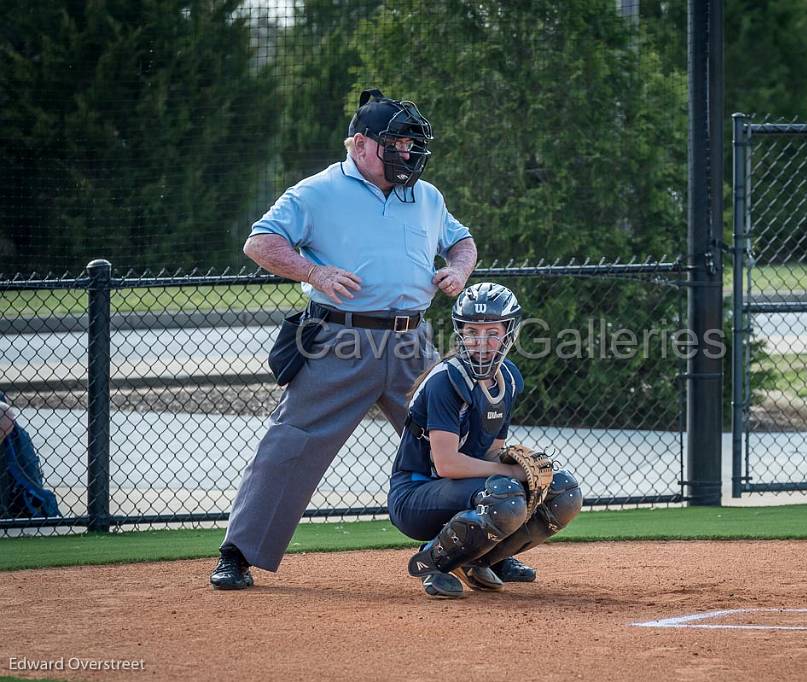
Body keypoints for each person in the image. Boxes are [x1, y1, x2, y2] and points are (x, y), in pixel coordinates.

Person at [210, 88, 479, 589]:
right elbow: (260, 242)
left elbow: (461, 241)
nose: (407, 153)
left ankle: (488, 546)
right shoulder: (317, 191)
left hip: (412, 344)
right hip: (341, 338)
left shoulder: (426, 195)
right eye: (395, 143)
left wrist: (458, 270)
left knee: (458, 440)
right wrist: (313, 272)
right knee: (290, 443)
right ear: (359, 144)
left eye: (411, 144)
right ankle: (238, 554)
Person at [387, 282, 584, 598]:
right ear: (460, 333)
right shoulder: (445, 381)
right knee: (506, 494)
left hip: (461, 490)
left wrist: (515, 465)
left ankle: (488, 558)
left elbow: (492, 452)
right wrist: (512, 473)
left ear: (509, 333)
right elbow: (447, 463)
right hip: (415, 495)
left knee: (563, 491)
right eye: (471, 332)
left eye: (492, 333)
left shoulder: (508, 378)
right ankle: (433, 561)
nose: (481, 342)